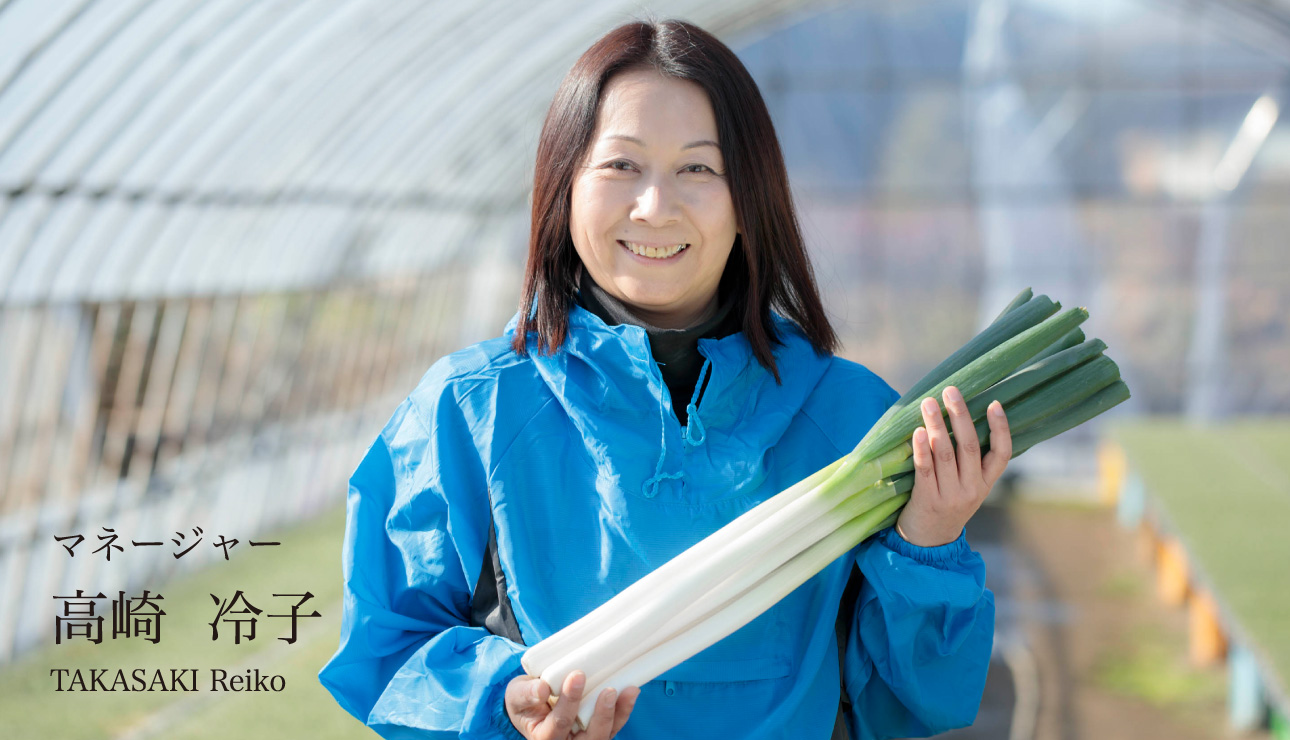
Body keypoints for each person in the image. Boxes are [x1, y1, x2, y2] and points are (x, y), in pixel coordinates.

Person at [319, 18, 1010, 740]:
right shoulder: (471, 408)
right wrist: (503, 702)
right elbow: (390, 653)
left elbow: (910, 705)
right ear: (565, 188)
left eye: (698, 169)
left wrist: (930, 542)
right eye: (621, 166)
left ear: (749, 199)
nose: (655, 206)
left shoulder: (849, 420)